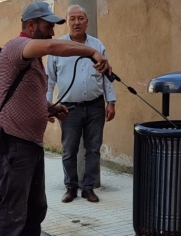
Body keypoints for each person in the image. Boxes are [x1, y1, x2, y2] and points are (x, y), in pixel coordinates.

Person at [0, 1, 110, 236]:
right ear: (31, 26)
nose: (53, 30)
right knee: (12, 209)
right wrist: (92, 51)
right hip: (13, 144)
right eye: (47, 25)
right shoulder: (19, 46)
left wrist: (50, 108)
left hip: (30, 144)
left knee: (34, 207)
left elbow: (26, 95)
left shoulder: (32, 60)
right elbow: (55, 47)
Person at [46, 5, 117, 204]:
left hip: (95, 106)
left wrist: (110, 102)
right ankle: (70, 187)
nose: (77, 22)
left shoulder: (97, 45)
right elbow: (49, 79)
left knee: (93, 149)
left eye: (80, 18)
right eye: (72, 19)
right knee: (70, 149)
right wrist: (47, 105)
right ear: (67, 22)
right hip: (68, 108)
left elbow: (107, 76)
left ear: (87, 21)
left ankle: (88, 188)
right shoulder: (58, 47)